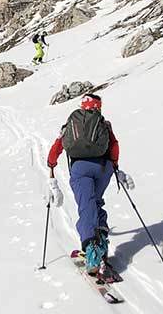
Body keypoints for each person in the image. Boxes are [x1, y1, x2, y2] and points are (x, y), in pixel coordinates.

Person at [45, 93, 135, 275]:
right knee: (96, 203)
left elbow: (57, 147)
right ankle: (101, 246)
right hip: (103, 168)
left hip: (81, 169)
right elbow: (114, 146)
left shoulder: (71, 123)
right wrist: (115, 167)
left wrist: (51, 166)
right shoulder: (104, 124)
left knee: (87, 208)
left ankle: (92, 254)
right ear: (98, 106)